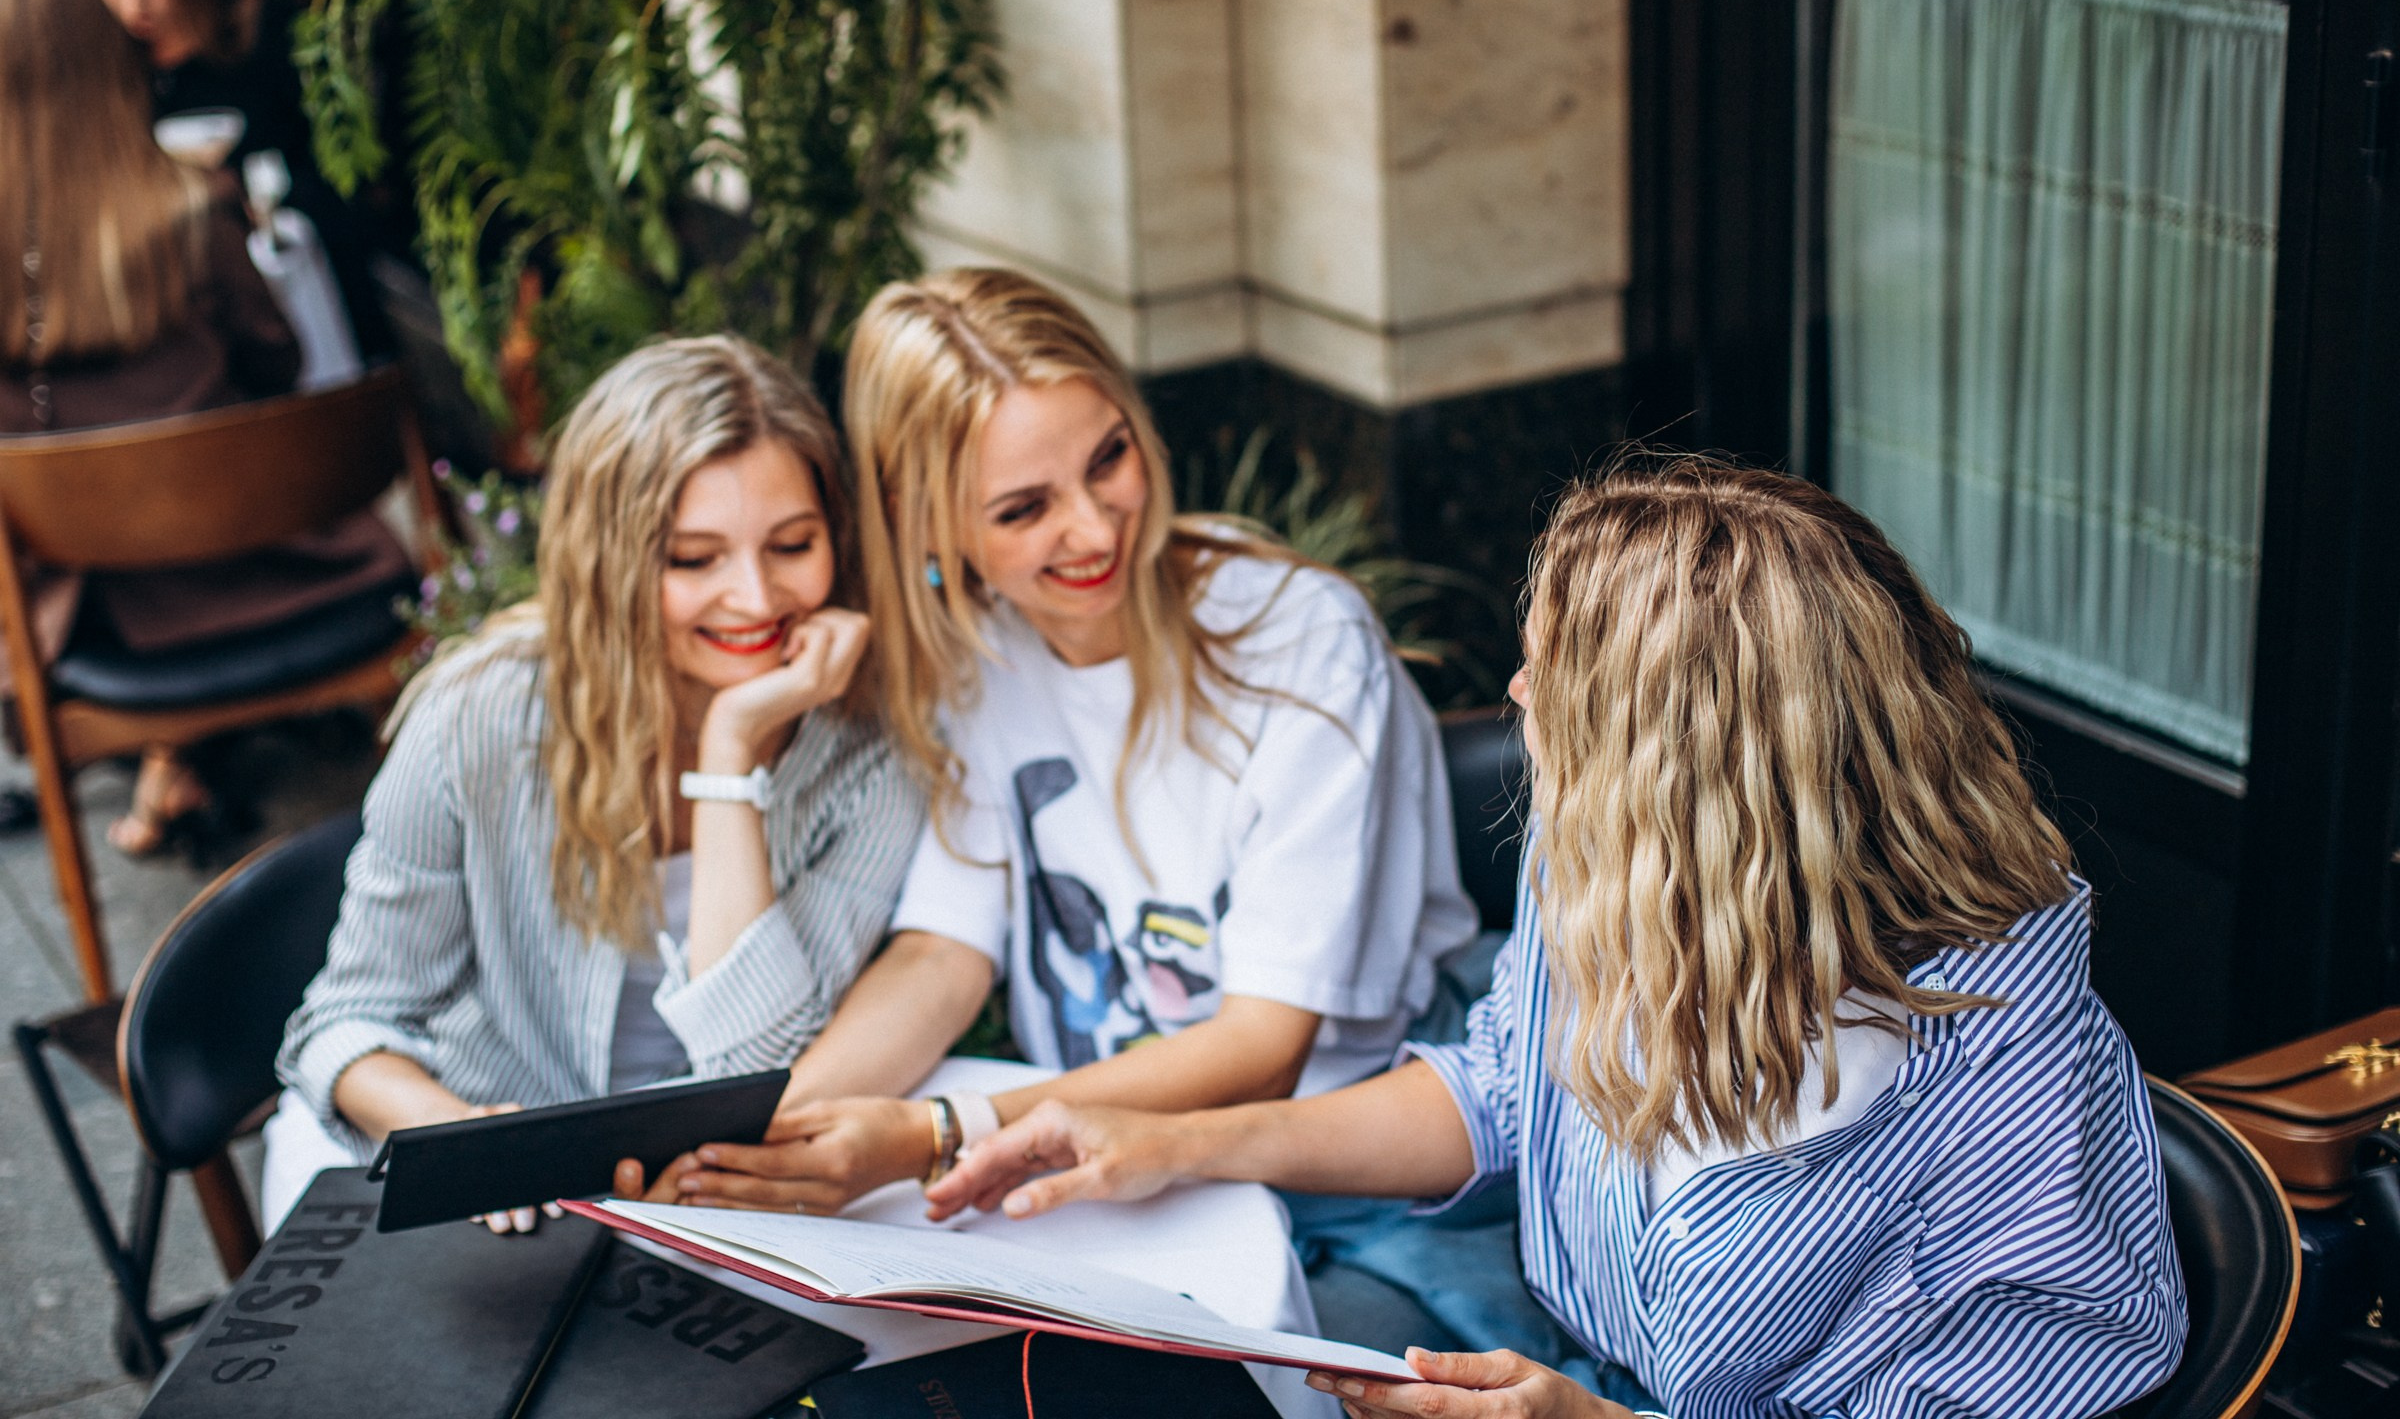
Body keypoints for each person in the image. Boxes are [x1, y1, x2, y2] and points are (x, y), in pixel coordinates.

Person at [921, 460, 2189, 1419]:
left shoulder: (1996, 1060)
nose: (1519, 698)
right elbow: (1503, 1088)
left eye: (1549, 679)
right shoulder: (1604, 859)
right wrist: (1170, 1146)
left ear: (1686, 767)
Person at [622, 268, 1498, 1342]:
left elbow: (1264, 1045)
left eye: (1109, 458)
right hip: (1088, 1172)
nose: (1093, 529)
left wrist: (928, 1132)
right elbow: (943, 953)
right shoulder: (976, 658)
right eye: (1024, 508)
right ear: (926, 523)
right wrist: (752, 1148)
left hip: (1353, 1177)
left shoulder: (1299, 640)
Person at [267, 337, 926, 1230]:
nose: (758, 597)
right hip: (484, 1166)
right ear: (610, 563)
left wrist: (730, 755)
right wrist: (463, 1138)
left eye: (792, 545)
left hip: (711, 1196)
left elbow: (752, 1068)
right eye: (693, 559)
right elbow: (343, 1024)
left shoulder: (866, 748)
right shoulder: (483, 714)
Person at [0, 0, 411, 855]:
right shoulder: (201, 213)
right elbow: (280, 363)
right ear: (120, 76)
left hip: (111, 615)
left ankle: (168, 771)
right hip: (286, 570)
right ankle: (186, 769)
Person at [74, 0, 391, 365]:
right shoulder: (101, 64)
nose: (134, 4)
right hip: (173, 311)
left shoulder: (263, 30)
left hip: (299, 289)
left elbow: (346, 175)